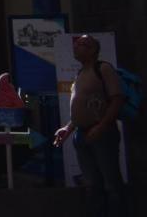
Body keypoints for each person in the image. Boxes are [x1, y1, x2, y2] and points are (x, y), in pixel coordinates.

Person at [53, 34, 127, 217]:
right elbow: (81, 107)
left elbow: (117, 100)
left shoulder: (103, 69)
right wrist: (68, 129)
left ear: (93, 50)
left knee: (111, 182)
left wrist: (101, 126)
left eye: (81, 44)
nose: (76, 47)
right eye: (76, 44)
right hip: (82, 134)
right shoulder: (80, 73)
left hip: (101, 133)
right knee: (92, 183)